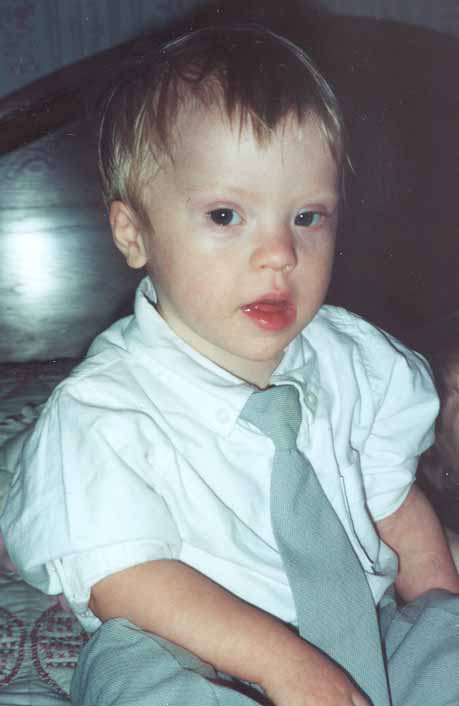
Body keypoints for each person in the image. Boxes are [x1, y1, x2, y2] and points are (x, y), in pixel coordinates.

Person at [1, 23, 458, 706]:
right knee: (141, 679)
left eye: (307, 217)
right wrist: (283, 665)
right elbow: (124, 579)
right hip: (183, 643)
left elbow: (393, 503)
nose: (279, 253)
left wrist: (441, 618)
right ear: (133, 233)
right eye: (225, 215)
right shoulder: (104, 412)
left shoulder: (359, 364)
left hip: (365, 625)